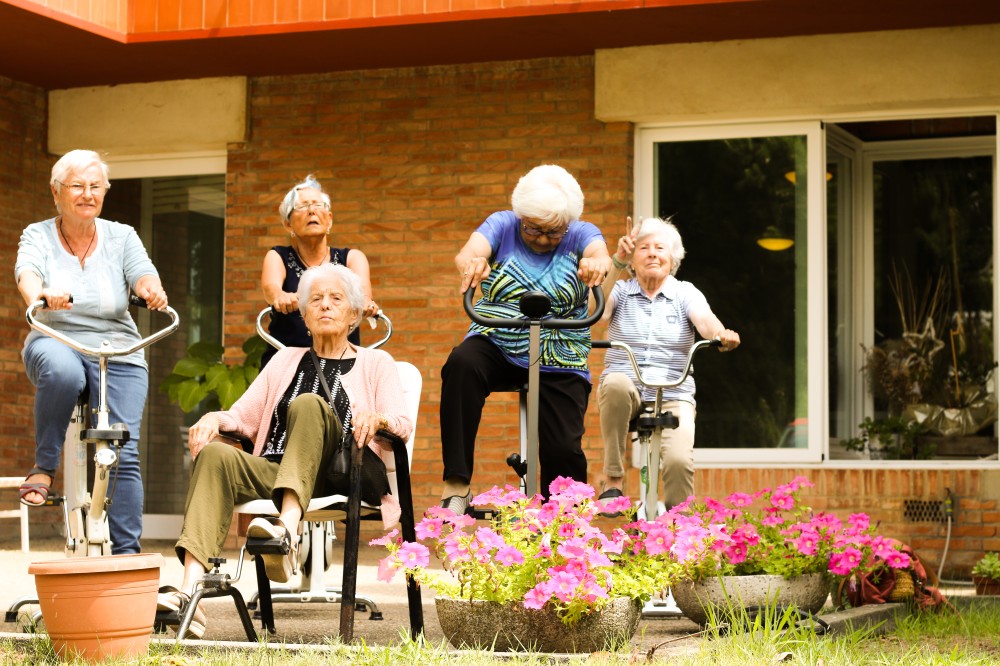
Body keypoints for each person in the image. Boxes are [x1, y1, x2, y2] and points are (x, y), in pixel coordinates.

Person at [160, 263, 411, 638]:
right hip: (277, 471)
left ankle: (285, 533)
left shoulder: (377, 363)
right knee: (215, 455)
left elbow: (402, 425)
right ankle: (188, 594)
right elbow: (242, 416)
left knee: (308, 404)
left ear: (354, 314)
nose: (325, 305)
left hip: (339, 476)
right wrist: (214, 418)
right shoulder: (284, 360)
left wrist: (377, 418)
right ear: (306, 317)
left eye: (336, 299)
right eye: (316, 300)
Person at [14, 149, 169, 555]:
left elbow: (142, 272)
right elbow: (27, 272)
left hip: (118, 348)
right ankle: (45, 468)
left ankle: (126, 557)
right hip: (56, 339)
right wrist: (41, 295)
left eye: (95, 186)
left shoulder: (121, 236)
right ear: (56, 192)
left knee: (123, 449)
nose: (87, 194)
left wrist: (149, 289)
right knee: (64, 373)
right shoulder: (38, 234)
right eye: (78, 186)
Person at [439, 164, 612, 515]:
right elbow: (467, 254)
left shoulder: (581, 233)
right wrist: (474, 263)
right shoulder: (502, 224)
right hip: (498, 339)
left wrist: (597, 265)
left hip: (559, 350)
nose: (545, 239)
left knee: (563, 448)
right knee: (461, 364)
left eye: (555, 232)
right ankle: (456, 485)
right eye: (534, 229)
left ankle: (565, 517)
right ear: (521, 216)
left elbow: (600, 255)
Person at [596, 216, 740, 511]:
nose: (652, 253)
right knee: (614, 382)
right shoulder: (621, 291)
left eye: (660, 248)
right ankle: (613, 477)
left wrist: (720, 334)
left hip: (673, 394)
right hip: (628, 392)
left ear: (672, 259)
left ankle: (683, 528)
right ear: (633, 259)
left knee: (677, 461)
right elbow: (592, 311)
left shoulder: (684, 292)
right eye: (643, 248)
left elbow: (705, 320)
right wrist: (617, 262)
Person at [260, 175, 379, 366]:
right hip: (287, 362)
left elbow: (364, 294)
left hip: (341, 360)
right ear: (287, 223)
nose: (311, 211)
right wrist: (280, 297)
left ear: (329, 219)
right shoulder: (277, 256)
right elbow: (270, 288)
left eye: (318, 205)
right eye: (302, 206)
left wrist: (366, 303)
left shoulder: (352, 258)